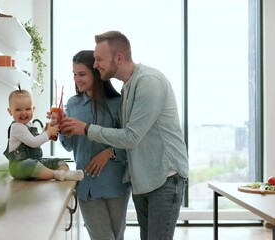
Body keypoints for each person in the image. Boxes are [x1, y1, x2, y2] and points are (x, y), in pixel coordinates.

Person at [60, 31, 189, 240]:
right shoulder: (129, 88)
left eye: (99, 59)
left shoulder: (149, 82)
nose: (95, 65)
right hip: (143, 180)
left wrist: (86, 129)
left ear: (118, 58)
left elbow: (130, 137)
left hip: (165, 177)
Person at [59, 50, 130, 240]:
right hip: (87, 185)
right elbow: (69, 145)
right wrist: (61, 129)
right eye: (74, 74)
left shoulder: (118, 103)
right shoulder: (72, 104)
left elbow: (130, 141)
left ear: (97, 73)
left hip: (116, 183)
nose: (77, 79)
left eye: (82, 74)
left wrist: (109, 153)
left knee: (117, 237)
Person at [4, 87, 84, 181]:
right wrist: (48, 133)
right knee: (30, 165)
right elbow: (34, 143)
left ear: (33, 109)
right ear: (10, 111)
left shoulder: (29, 125)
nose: (23, 113)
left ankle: (65, 174)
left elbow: (36, 139)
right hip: (18, 165)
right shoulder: (17, 127)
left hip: (35, 160)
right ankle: (55, 174)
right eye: (18, 110)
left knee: (57, 161)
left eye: (27, 109)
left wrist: (47, 131)